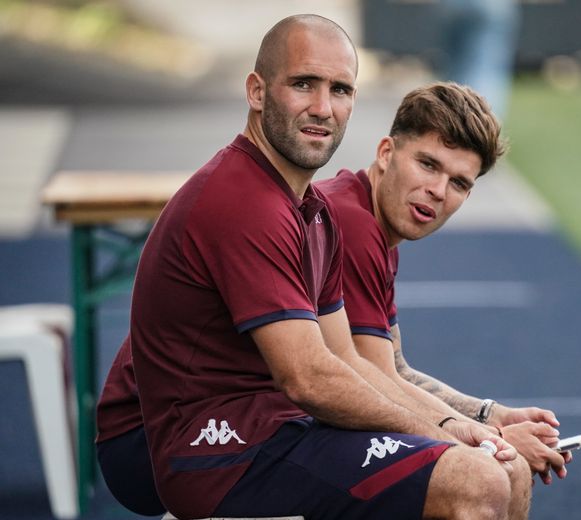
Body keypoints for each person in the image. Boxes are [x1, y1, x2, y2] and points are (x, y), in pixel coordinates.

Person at [97, 14, 531, 520]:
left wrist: (462, 426)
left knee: (503, 468)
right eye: (304, 84)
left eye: (341, 90)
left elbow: (351, 360)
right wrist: (441, 433)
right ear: (257, 92)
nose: (323, 108)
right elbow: (310, 378)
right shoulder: (244, 200)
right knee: (475, 479)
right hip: (210, 452)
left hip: (272, 425)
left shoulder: (314, 214)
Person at [316, 81, 569, 487]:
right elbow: (378, 385)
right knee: (494, 474)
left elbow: (394, 369)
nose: (437, 191)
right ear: (386, 154)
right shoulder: (352, 223)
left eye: (459, 183)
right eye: (428, 165)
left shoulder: (372, 223)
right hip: (244, 436)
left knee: (500, 469)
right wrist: (496, 439)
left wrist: (490, 415)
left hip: (280, 421)